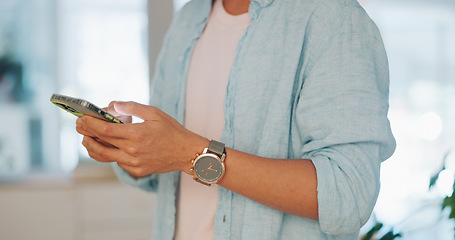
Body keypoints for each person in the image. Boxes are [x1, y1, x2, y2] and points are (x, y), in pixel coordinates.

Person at [76, 0, 396, 239]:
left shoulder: (334, 19)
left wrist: (188, 154)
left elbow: (348, 193)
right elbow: (165, 171)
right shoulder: (188, 19)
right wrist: (132, 147)